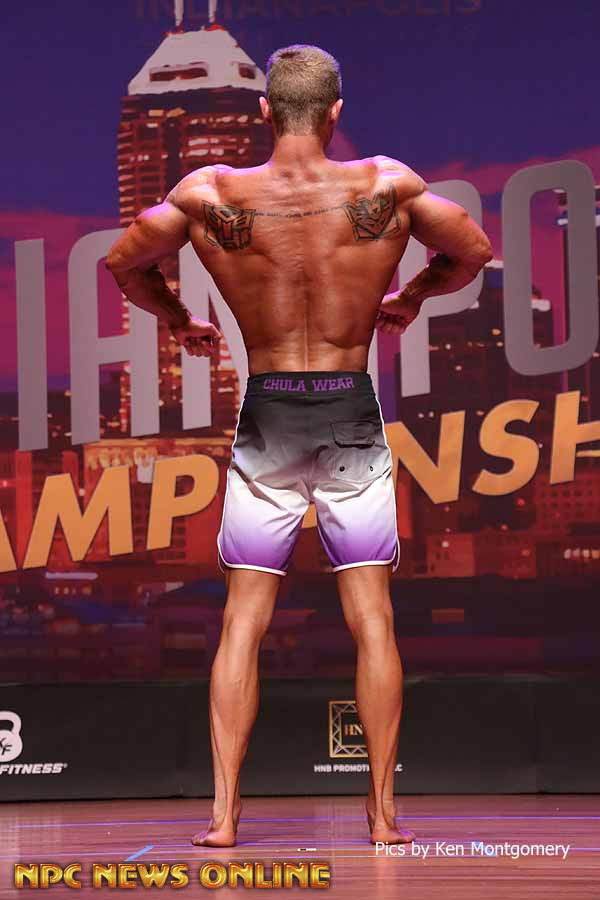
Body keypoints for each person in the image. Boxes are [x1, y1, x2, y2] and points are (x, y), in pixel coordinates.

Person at [106, 43, 493, 848]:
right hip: (348, 408)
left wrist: (178, 320)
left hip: (269, 411)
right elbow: (473, 251)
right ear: (335, 112)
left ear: (264, 111)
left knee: (242, 621)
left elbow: (125, 263)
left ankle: (223, 819)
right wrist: (413, 295)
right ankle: (382, 818)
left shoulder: (210, 195)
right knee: (372, 618)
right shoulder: (385, 186)